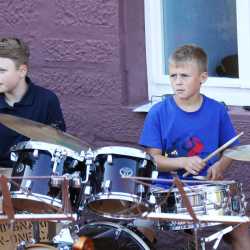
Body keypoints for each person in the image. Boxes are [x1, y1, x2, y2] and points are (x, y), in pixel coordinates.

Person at [139, 44, 250, 250]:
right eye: (173, 76)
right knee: (141, 227)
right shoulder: (158, 112)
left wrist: (220, 168)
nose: (178, 82)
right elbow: (153, 160)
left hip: (207, 188)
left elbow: (231, 149)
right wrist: (182, 161)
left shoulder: (217, 110)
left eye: (184, 76)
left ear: (203, 78)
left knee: (242, 227)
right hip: (166, 188)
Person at [0, 37, 65, 176]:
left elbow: (59, 148)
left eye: (2, 70)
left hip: (33, 182)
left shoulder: (47, 100)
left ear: (22, 71)